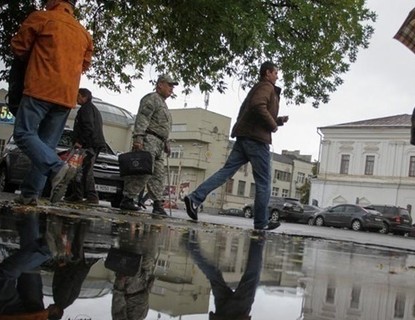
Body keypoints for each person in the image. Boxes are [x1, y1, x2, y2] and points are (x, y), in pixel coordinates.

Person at [184, 61, 288, 231]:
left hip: (245, 138)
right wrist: (273, 125)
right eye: (276, 73)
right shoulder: (266, 87)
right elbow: (257, 106)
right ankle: (261, 223)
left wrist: (277, 121)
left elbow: (257, 111)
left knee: (226, 172)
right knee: (264, 182)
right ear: (268, 73)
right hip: (256, 140)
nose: (277, 76)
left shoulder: (260, 87)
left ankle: (195, 198)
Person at [10, 0, 94, 206]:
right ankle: (30, 194)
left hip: (40, 87)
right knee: (47, 144)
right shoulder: (84, 34)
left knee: (23, 133)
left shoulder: (42, 18)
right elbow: (85, 65)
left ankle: (57, 167)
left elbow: (18, 47)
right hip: (66, 96)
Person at [119, 74, 177, 215]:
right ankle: (128, 198)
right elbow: (143, 118)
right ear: (160, 85)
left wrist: (166, 142)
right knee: (143, 171)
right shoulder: (151, 99)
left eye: (172, 86)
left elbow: (163, 126)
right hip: (149, 139)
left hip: (159, 143)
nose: (171, 89)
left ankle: (158, 204)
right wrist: (138, 138)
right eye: (169, 85)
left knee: (158, 174)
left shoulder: (163, 103)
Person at [184, 230, 264, 320]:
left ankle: (258, 237)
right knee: (214, 276)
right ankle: (191, 246)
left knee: (252, 275)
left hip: (240, 309)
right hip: (222, 312)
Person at [64, 88, 106, 204]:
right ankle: (78, 194)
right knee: (79, 170)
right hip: (92, 144)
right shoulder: (92, 109)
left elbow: (88, 127)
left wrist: (80, 141)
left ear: (84, 97)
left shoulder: (85, 110)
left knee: (84, 170)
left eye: (78, 96)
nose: (76, 99)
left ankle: (90, 196)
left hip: (88, 145)